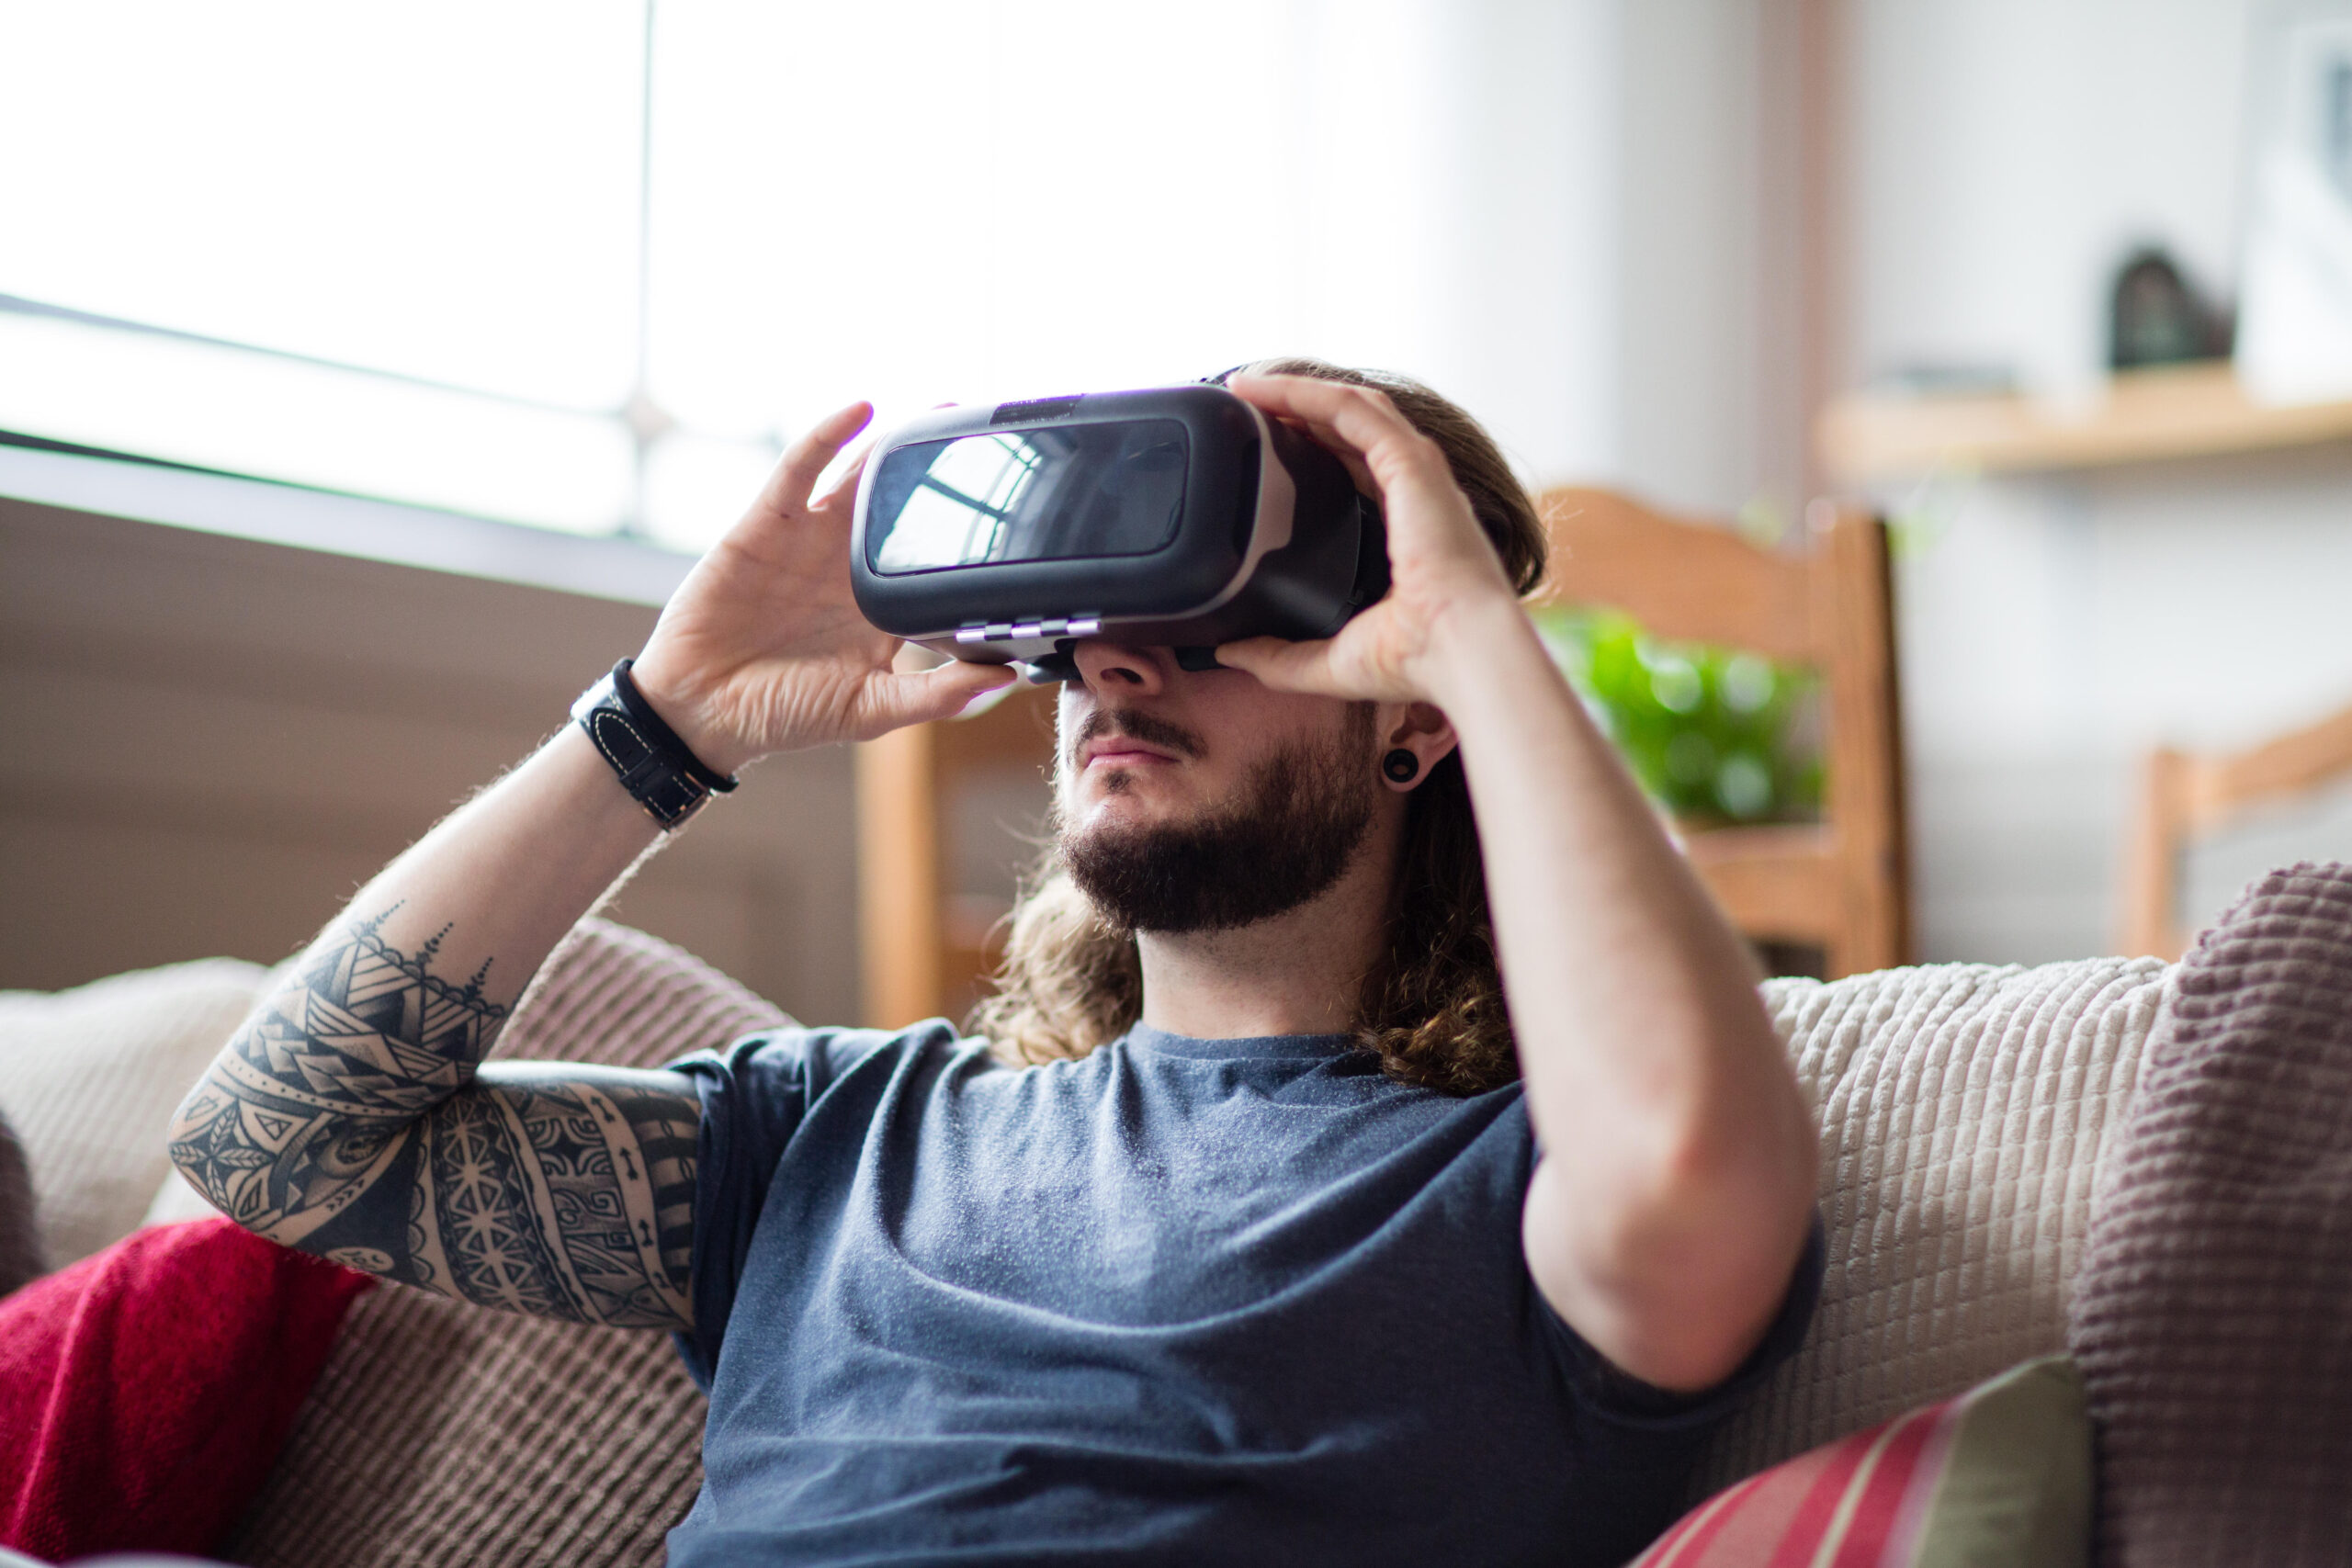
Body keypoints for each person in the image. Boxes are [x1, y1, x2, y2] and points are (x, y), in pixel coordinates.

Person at [170, 360, 1821, 1567]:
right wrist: (660, 722)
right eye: (1090, 618)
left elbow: (1690, 1152)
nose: (1114, 658)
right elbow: (276, 1147)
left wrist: (1469, 639)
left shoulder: (1512, 1188)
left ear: (1408, 716)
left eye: (1217, 615)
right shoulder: (832, 1136)